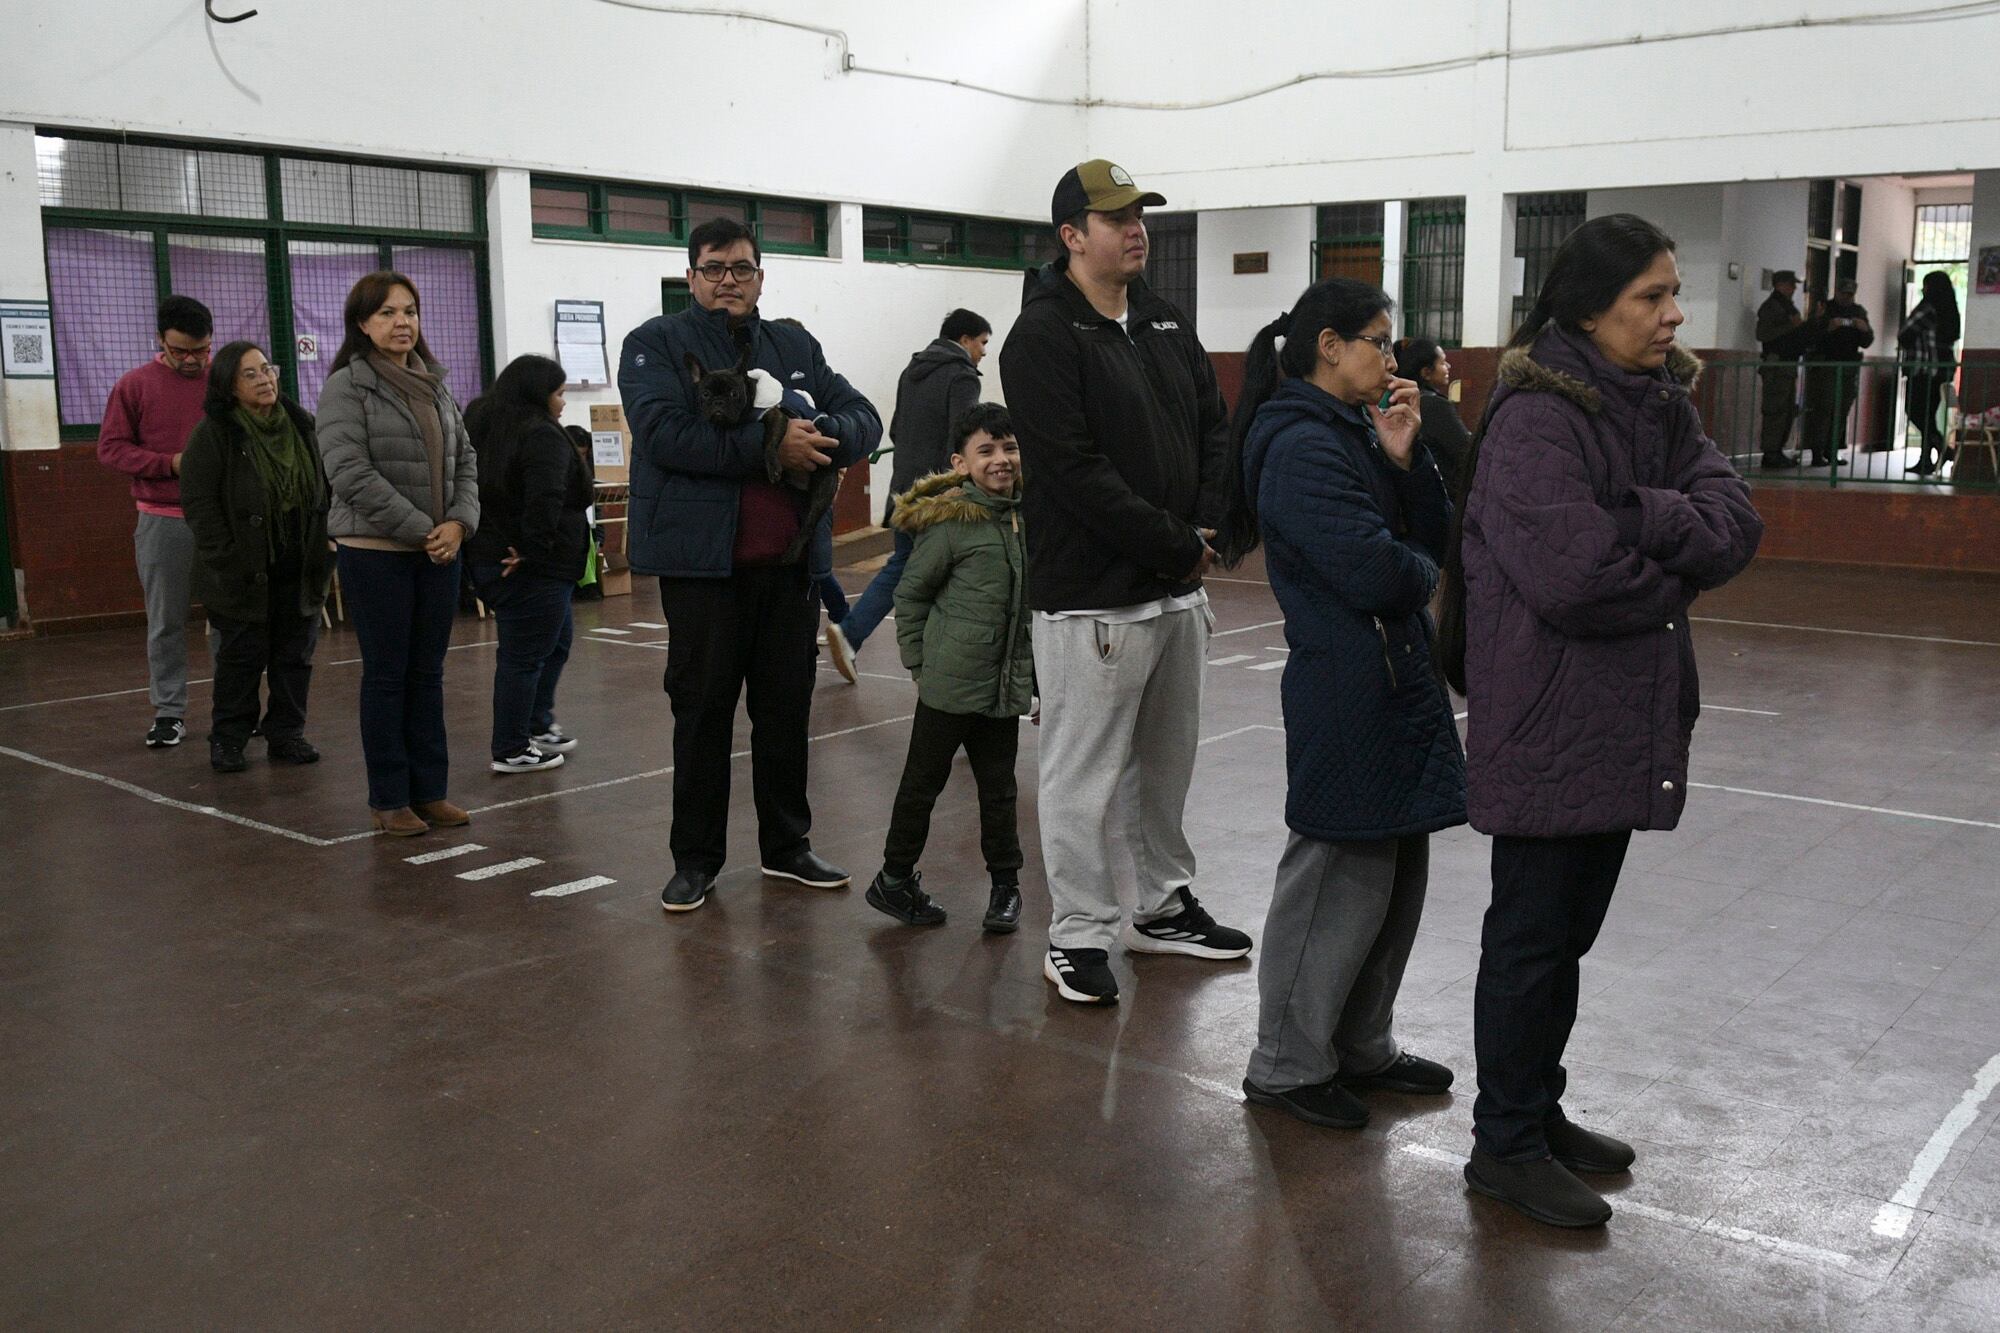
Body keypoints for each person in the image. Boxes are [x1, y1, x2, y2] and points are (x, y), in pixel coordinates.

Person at [1437, 214, 1762, 1228]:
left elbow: (1731, 520)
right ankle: (1503, 1146)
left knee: (1564, 938)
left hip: (1616, 718)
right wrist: (1664, 552)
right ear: (1588, 310)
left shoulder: (1657, 403)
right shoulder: (1538, 419)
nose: (1673, 315)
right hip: (1546, 719)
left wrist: (1641, 515)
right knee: (1530, 939)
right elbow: (1575, 577)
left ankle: (1537, 1109)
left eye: (1671, 293)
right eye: (1649, 298)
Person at [999, 159, 1251, 1005]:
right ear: (1072, 236)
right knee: (1080, 772)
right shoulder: (1040, 337)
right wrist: (1174, 541)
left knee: (1166, 763)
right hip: (1092, 600)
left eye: (1140, 213)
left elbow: (1215, 430)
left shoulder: (1164, 321)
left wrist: (1203, 529)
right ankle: (1076, 932)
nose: (1136, 228)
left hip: (1176, 590)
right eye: (1116, 218)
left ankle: (1162, 906)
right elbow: (1072, 471)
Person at [1218, 282, 1468, 1131]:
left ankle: (1361, 1042)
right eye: (1378, 342)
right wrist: (1421, 577)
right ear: (1328, 345)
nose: (1391, 360)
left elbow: (1429, 536)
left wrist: (1405, 460)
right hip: (1345, 682)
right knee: (1335, 873)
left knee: (1394, 872)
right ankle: (1287, 1061)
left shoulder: (1357, 430)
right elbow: (1374, 569)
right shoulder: (1296, 443)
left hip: (1394, 675)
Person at [619, 216, 881, 914]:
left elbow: (864, 415)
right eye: (714, 268)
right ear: (692, 277)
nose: (728, 279)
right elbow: (665, 435)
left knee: (785, 711)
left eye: (741, 267)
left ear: (761, 276)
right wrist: (771, 452)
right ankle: (696, 861)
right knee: (702, 714)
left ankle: (788, 846)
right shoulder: (656, 345)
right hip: (706, 573)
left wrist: (823, 435)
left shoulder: (793, 342)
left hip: (790, 570)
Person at [316, 270, 480, 837]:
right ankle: (390, 798)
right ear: (362, 324)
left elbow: (465, 462)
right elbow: (349, 473)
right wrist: (424, 530)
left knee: (427, 674)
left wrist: (459, 522)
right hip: (376, 552)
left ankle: (429, 792)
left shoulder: (434, 384)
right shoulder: (347, 386)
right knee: (387, 676)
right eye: (386, 313)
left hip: (438, 550)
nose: (402, 322)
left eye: (409, 310)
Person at [865, 404, 1030, 934]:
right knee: (921, 785)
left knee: (999, 788)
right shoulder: (951, 524)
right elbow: (910, 597)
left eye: (1009, 448)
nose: (1001, 460)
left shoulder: (1029, 518)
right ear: (961, 463)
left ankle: (1006, 887)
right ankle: (893, 881)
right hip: (947, 682)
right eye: (986, 451)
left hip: (1003, 685)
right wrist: (919, 662)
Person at [180, 342, 333, 773]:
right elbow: (199, 504)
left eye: (268, 368)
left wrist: (330, 542)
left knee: (294, 655)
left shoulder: (303, 425)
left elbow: (329, 484)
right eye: (251, 374)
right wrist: (224, 557)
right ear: (229, 386)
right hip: (241, 571)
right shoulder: (213, 434)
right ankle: (229, 739)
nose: (265, 379)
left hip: (300, 564)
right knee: (242, 658)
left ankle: (286, 733)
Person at [826, 308, 991, 684]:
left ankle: (852, 633)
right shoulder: (962, 376)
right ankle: (941, 663)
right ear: (965, 340)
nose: (983, 352)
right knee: (953, 572)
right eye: (982, 343)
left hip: (904, 488)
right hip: (939, 494)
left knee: (902, 564)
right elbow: (962, 437)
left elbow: (898, 429)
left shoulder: (911, 370)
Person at [464, 355, 592, 774]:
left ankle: (536, 723)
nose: (563, 402)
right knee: (524, 656)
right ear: (538, 395)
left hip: (503, 559)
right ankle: (512, 747)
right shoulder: (540, 436)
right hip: (532, 567)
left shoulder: (490, 424)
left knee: (555, 643)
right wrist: (532, 551)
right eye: (558, 393)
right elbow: (545, 498)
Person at [97, 296, 214, 749]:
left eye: (200, 351)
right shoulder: (135, 385)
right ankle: (169, 712)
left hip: (221, 522)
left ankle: (234, 706)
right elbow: (111, 449)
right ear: (159, 341)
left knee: (230, 618)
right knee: (167, 620)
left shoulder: (223, 383)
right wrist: (169, 464)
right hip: (163, 519)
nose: (191, 361)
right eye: (180, 351)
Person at [1799, 278, 1873, 468]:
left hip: (1849, 368)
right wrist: (1828, 327)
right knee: (1823, 409)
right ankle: (1817, 453)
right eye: (1843, 293)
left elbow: (1866, 340)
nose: (1846, 298)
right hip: (1827, 367)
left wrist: (1864, 330)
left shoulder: (1858, 312)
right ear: (1837, 292)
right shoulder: (1825, 309)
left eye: (1850, 294)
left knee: (1842, 410)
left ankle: (1832, 452)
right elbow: (1810, 335)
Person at [1394, 336, 1474, 499]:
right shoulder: (1434, 406)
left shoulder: (1401, 401)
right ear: (1426, 372)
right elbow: (1466, 451)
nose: (1448, 366)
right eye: (1442, 363)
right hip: (1442, 495)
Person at [1898, 270, 1961, 477]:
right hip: (1943, 370)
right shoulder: (1951, 310)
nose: (1923, 289)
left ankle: (1945, 449)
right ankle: (1925, 461)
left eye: (1925, 285)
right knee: (1928, 414)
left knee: (1914, 411)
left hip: (1924, 369)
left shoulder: (1927, 307)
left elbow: (1905, 334)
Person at [1754, 270, 1812, 468]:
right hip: (1776, 366)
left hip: (1787, 365)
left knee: (1787, 411)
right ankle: (1770, 453)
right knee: (1775, 410)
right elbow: (1762, 334)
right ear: (1780, 284)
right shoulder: (1772, 307)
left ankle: (1777, 451)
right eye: (1790, 284)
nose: (1794, 288)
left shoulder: (1787, 306)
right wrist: (1790, 326)